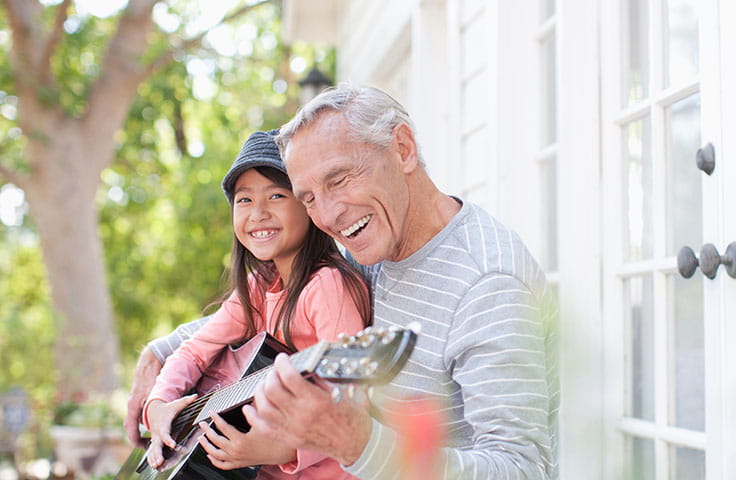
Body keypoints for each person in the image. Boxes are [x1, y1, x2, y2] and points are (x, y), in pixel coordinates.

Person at [129, 84, 560, 479]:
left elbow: (522, 468)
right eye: (309, 197)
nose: (329, 216)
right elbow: (264, 304)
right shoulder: (368, 244)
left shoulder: (486, 283)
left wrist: (361, 445)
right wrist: (158, 355)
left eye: (339, 179)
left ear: (403, 148)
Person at [140, 129, 371, 479]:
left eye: (276, 195)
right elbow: (193, 352)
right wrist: (157, 406)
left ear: (308, 205)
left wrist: (281, 450)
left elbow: (352, 397)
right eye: (244, 200)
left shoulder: (326, 287)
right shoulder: (258, 287)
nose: (258, 212)